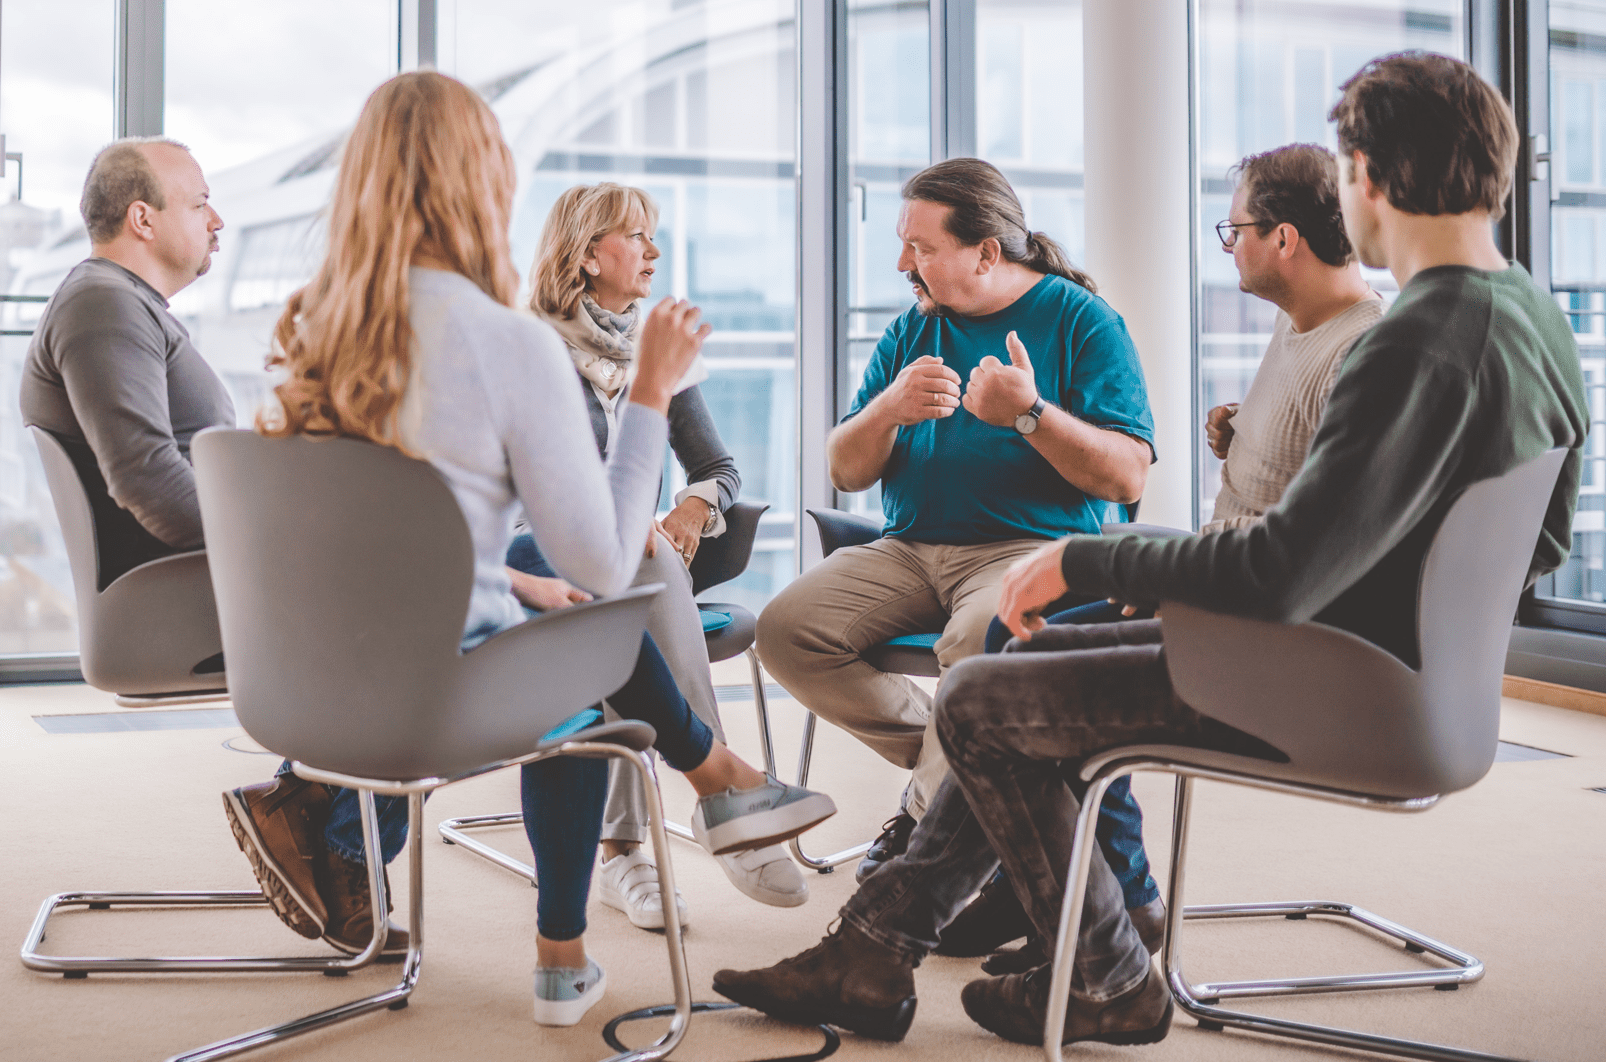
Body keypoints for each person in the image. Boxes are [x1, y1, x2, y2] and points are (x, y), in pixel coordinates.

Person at [714, 51, 1586, 1048]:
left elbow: (1276, 571)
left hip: (1336, 680)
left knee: (989, 701)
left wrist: (1084, 561)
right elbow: (1542, 543)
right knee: (1011, 677)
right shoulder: (1532, 319)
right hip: (1407, 676)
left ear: (1368, 177)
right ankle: (876, 955)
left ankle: (1097, 976)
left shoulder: (1409, 339)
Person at [220, 71, 834, 1025]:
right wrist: (655, 391)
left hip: (304, 688)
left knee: (565, 612)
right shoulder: (510, 343)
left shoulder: (314, 336)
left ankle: (704, 803)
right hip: (431, 695)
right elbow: (601, 552)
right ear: (483, 180)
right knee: (591, 635)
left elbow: (379, 549)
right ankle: (653, 854)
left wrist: (510, 586)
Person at [946, 142, 1386, 974]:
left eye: (1238, 230)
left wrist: (1150, 582)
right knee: (1016, 631)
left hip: (1254, 619)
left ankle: (1113, 894)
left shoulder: (1361, 351)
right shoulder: (1301, 330)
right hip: (1225, 586)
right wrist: (1239, 438)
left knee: (1021, 652)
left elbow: (1319, 544)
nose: (1230, 246)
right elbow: (1293, 479)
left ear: (1285, 239)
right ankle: (1060, 881)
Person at [755, 157, 1156, 880]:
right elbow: (845, 468)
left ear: (986, 253)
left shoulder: (1081, 321)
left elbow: (1127, 473)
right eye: (904, 243)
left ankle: (920, 827)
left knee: (979, 637)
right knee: (785, 631)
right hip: (907, 550)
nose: (903, 262)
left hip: (1029, 548)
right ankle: (972, 769)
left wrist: (1030, 415)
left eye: (922, 248)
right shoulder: (913, 328)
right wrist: (887, 410)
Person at [510, 182, 808, 930]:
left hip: (624, 559)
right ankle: (713, 794)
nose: (655, 252)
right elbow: (553, 496)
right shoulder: (531, 346)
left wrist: (692, 506)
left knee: (640, 569)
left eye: (654, 237)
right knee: (635, 568)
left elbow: (719, 466)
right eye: (637, 237)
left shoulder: (655, 349)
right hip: (529, 561)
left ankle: (631, 845)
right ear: (585, 255)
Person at [20, 137, 232, 590]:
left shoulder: (121, 302)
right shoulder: (103, 304)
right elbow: (147, 478)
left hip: (200, 572)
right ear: (142, 219)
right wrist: (267, 539)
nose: (217, 222)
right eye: (200, 205)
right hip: (181, 586)